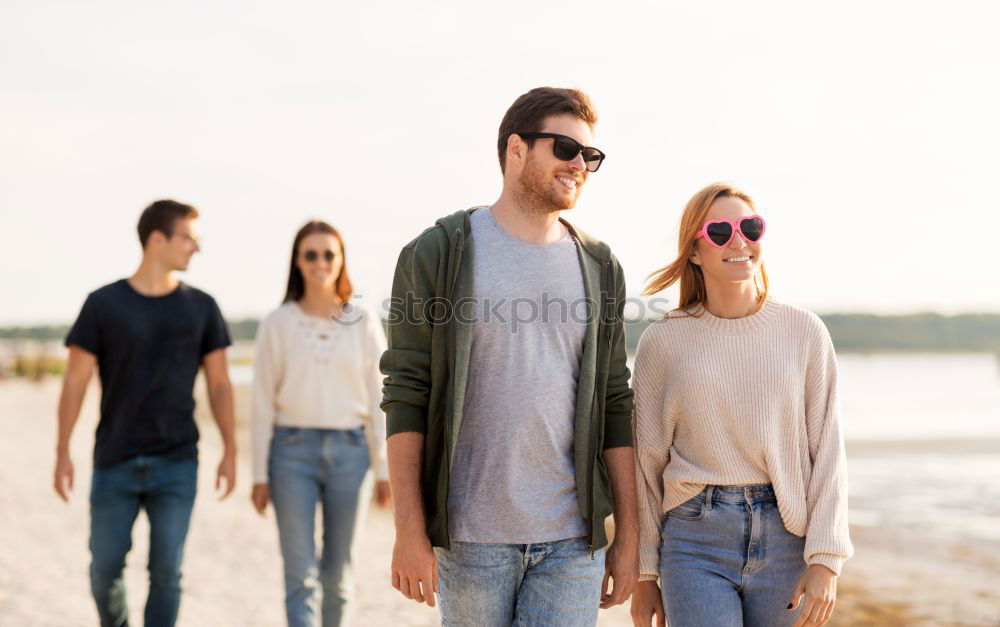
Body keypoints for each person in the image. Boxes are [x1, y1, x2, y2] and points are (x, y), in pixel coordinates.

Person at [380, 86, 638, 626]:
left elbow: (616, 402)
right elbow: (406, 393)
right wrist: (409, 529)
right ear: (516, 149)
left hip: (572, 540)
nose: (580, 165)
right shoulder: (436, 253)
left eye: (590, 156)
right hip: (471, 538)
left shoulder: (600, 266)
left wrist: (629, 537)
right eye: (566, 149)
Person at [629, 183, 853, 627]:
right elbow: (646, 464)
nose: (739, 240)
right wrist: (644, 574)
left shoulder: (803, 332)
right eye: (720, 231)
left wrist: (826, 560)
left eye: (750, 226)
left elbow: (828, 451)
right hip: (694, 540)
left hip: (788, 538)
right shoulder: (663, 341)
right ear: (694, 251)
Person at [54, 199, 236, 627]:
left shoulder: (203, 307)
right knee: (103, 571)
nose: (196, 248)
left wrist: (230, 448)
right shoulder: (102, 304)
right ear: (158, 239)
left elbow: (220, 384)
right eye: (189, 238)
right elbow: (75, 382)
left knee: (167, 575)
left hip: (177, 462)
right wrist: (62, 450)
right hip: (114, 460)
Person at [250, 220, 391, 627]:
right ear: (297, 261)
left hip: (352, 455)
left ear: (341, 259)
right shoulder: (277, 323)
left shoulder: (362, 319)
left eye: (329, 254)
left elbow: (381, 398)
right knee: (300, 575)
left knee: (339, 576)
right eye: (310, 254)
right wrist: (259, 475)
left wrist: (384, 470)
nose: (320, 262)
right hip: (290, 453)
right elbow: (260, 403)